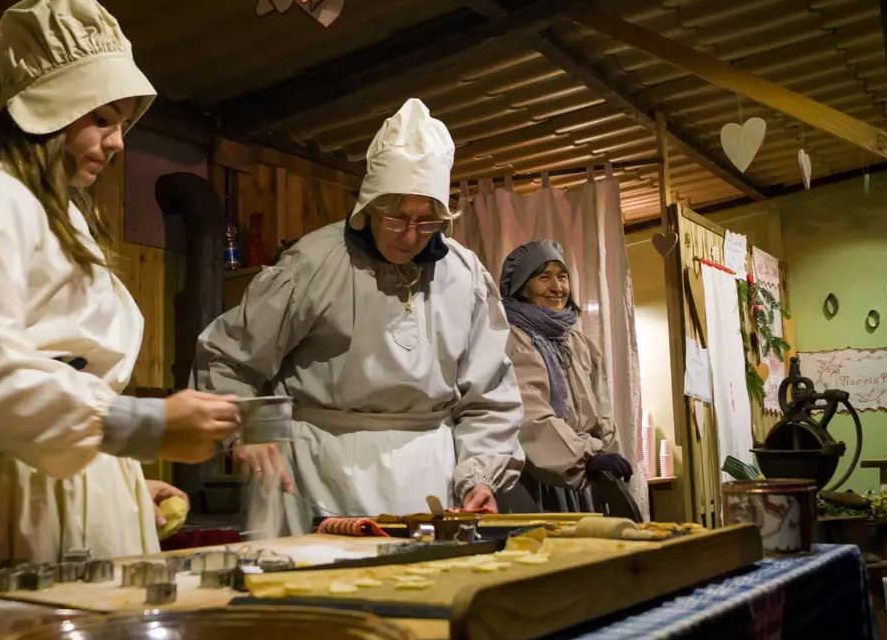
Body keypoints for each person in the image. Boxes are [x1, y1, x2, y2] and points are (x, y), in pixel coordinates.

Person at [0, 0, 238, 573]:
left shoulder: (61, 212)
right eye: (102, 119)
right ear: (54, 109)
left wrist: (113, 483)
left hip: (32, 480)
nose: (118, 142)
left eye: (123, 124)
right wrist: (140, 425)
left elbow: (58, 371)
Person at [194, 99, 526, 536]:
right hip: (320, 472)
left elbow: (489, 396)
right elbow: (229, 359)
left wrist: (480, 474)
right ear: (369, 207)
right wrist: (250, 430)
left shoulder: (465, 277)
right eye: (396, 218)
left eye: (427, 221)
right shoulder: (313, 264)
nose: (410, 235)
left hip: (430, 476)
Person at [496, 240, 632, 513]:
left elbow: (602, 410)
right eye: (543, 277)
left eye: (562, 276)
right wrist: (580, 458)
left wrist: (607, 458)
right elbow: (528, 415)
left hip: (583, 476)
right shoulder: (513, 341)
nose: (557, 287)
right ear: (521, 287)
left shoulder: (579, 343)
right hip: (536, 477)